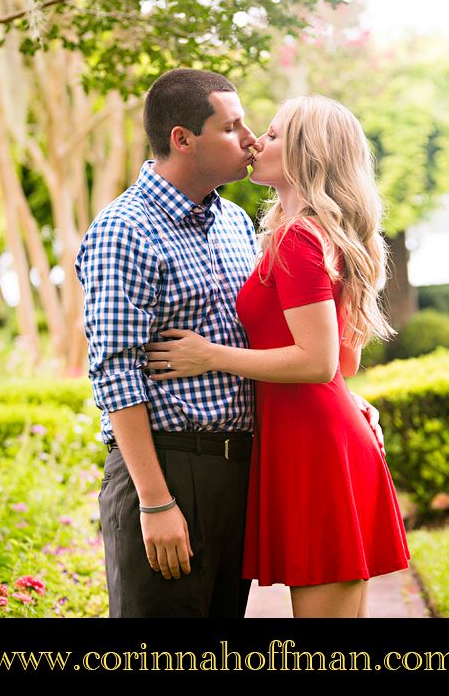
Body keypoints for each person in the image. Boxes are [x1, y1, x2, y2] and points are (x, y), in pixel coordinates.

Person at [75, 69, 384, 619]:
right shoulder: (125, 229)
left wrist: (340, 398)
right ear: (183, 138)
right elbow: (115, 373)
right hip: (171, 466)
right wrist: (155, 500)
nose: (250, 140)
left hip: (247, 466)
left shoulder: (238, 225)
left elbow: (304, 349)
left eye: (260, 129)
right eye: (234, 126)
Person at [146, 94, 411, 619]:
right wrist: (346, 400)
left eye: (271, 134)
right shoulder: (314, 234)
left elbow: (318, 363)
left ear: (305, 155)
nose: (255, 142)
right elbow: (342, 367)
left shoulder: (298, 239)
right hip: (316, 440)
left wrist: (208, 355)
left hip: (314, 452)